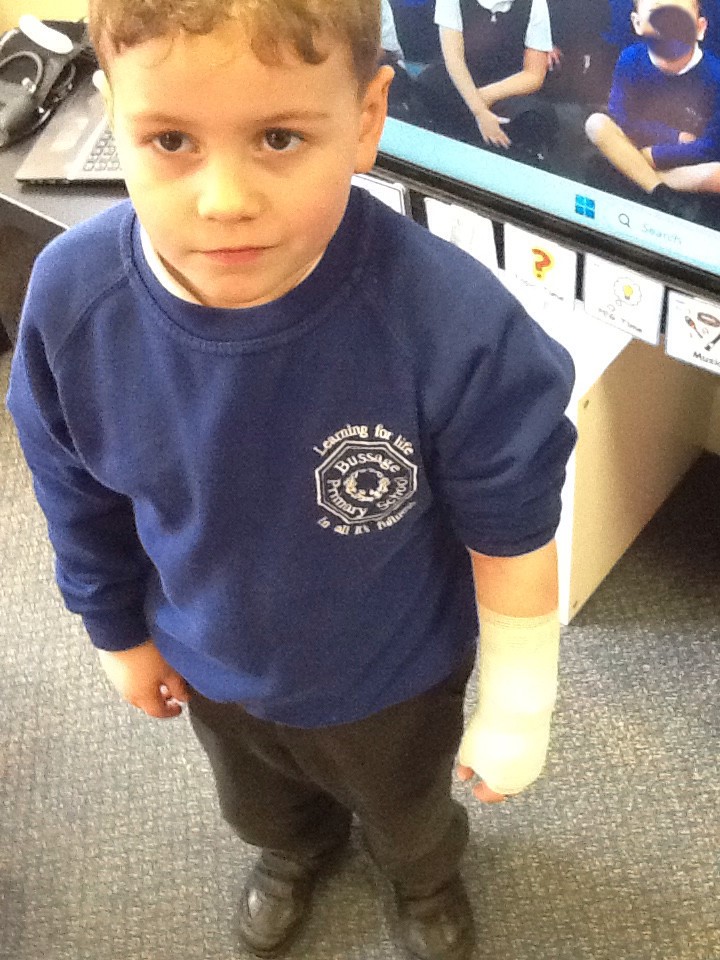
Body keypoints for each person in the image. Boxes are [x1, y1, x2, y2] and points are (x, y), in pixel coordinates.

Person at [6, 2, 576, 958]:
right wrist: (116, 632)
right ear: (114, 112)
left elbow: (512, 525)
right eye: (171, 140)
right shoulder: (72, 301)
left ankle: (424, 879)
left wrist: (521, 700)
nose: (224, 200)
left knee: (409, 815)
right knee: (260, 805)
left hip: (392, 675)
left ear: (365, 118)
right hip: (209, 660)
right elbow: (74, 491)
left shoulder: (453, 324)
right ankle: (293, 854)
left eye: (278, 137)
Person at [585, 0, 720, 216]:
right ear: (638, 23)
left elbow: (711, 146)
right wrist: (672, 136)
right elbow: (621, 116)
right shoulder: (630, 59)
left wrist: (655, 156)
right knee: (596, 124)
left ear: (700, 28)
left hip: (685, 160)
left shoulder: (714, 76)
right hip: (638, 144)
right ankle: (659, 191)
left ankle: (631, 173)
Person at [417, 0, 554, 150]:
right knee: (428, 84)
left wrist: (483, 97)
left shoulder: (536, 3)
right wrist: (479, 111)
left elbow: (534, 75)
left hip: (505, 91)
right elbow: (454, 59)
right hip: (458, 82)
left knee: (536, 117)